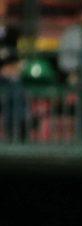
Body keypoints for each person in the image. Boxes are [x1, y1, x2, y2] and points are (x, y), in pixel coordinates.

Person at [0, 0, 28, 142]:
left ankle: (17, 132)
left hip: (9, 76)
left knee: (16, 89)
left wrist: (16, 68)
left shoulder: (14, 33)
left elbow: (23, 57)